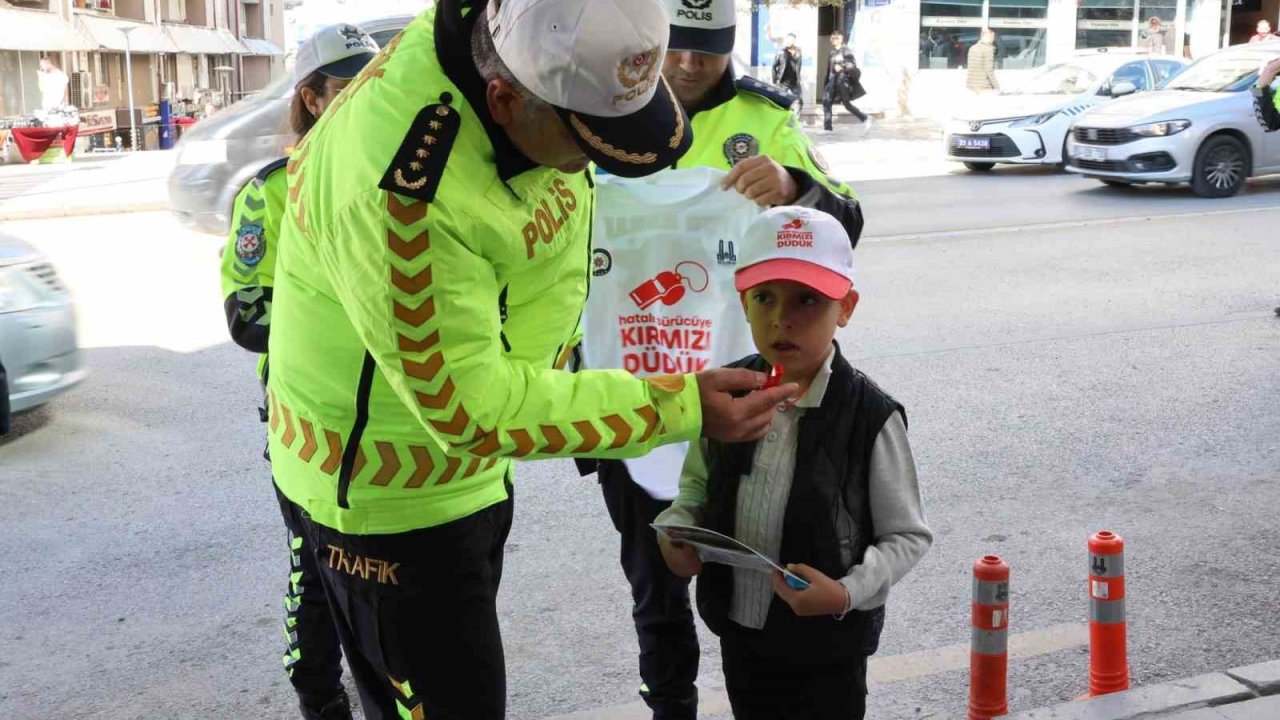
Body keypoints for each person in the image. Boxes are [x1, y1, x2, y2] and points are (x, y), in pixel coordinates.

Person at [266, 0, 799, 718]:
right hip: (393, 501)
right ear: (505, 99)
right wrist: (679, 404)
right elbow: (471, 410)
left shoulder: (500, 30)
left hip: (467, 470)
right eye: (587, 143)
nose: (592, 167)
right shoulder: (407, 198)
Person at [588, 2, 869, 716]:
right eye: (677, 48)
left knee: (763, 567)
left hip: (745, 390)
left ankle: (765, 693)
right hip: (629, 383)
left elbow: (848, 219)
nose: (688, 65)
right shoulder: (602, 107)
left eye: (706, 51)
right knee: (655, 579)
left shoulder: (763, 119)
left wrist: (794, 188)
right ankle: (671, 704)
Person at [656, 206, 933, 720]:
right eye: (765, 297)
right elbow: (695, 488)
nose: (782, 318)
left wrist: (845, 594)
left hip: (829, 648)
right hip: (741, 632)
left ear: (845, 307)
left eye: (808, 299)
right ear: (743, 303)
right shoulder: (724, 396)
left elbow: (907, 536)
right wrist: (677, 529)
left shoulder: (869, 415)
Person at [220, 23, 380, 720]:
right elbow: (247, 316)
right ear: (311, 98)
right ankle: (318, 695)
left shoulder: (401, 178)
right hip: (309, 417)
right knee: (318, 569)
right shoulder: (272, 191)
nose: (364, 98)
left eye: (373, 84)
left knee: (389, 578)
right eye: (347, 87)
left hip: (399, 422)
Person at [823, 31, 868, 131]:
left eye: (835, 38)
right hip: (831, 81)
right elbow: (829, 69)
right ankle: (827, 128)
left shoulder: (846, 51)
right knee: (827, 103)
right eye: (832, 38)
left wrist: (842, 65)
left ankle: (864, 117)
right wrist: (826, 84)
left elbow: (852, 64)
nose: (833, 40)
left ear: (841, 39)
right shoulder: (832, 52)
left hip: (841, 81)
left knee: (846, 104)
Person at [772, 33, 803, 115]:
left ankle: (795, 120)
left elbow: (798, 66)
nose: (789, 41)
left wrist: (798, 79)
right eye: (788, 40)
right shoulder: (781, 52)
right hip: (782, 82)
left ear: (794, 41)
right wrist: (775, 81)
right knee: (779, 102)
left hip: (795, 82)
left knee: (799, 102)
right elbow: (774, 66)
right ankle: (781, 119)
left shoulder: (798, 51)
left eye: (791, 40)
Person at [965, 28, 1000, 95]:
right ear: (988, 36)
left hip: (971, 86)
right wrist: (996, 86)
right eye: (992, 37)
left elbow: (970, 67)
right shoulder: (988, 50)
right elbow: (989, 70)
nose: (993, 39)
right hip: (984, 85)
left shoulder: (972, 48)